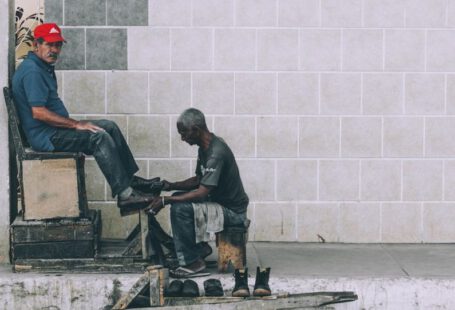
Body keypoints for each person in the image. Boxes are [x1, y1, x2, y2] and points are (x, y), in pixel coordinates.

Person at [12, 23, 156, 208]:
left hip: (53, 130)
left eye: (58, 45)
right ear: (36, 45)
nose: (54, 49)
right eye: (49, 44)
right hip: (47, 137)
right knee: (98, 138)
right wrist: (75, 124)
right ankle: (125, 195)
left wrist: (76, 124)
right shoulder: (33, 71)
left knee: (108, 126)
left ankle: (130, 182)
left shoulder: (40, 66)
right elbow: (38, 113)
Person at [148, 108, 249, 278]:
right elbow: (198, 180)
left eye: (184, 133)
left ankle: (193, 263)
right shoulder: (205, 147)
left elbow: (202, 192)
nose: (182, 138)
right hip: (218, 203)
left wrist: (166, 200)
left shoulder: (216, 153)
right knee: (178, 197)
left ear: (196, 129)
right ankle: (199, 249)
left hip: (233, 212)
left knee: (180, 208)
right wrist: (170, 186)